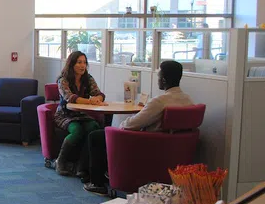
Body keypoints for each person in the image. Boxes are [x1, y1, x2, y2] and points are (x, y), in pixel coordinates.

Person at [83, 60, 195, 195]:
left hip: (147, 147)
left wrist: (117, 128)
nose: (158, 79)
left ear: (164, 80)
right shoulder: (189, 101)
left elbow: (131, 125)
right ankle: (108, 172)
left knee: (98, 136)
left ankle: (97, 183)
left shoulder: (159, 102)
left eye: (159, 76)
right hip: (173, 152)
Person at [54, 51, 105, 178]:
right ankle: (60, 161)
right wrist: (90, 101)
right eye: (79, 62)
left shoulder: (88, 78)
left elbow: (99, 93)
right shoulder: (63, 80)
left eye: (84, 63)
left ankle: (82, 166)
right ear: (71, 64)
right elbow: (69, 97)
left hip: (82, 114)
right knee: (77, 130)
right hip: (65, 114)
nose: (83, 66)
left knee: (94, 127)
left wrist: (98, 98)